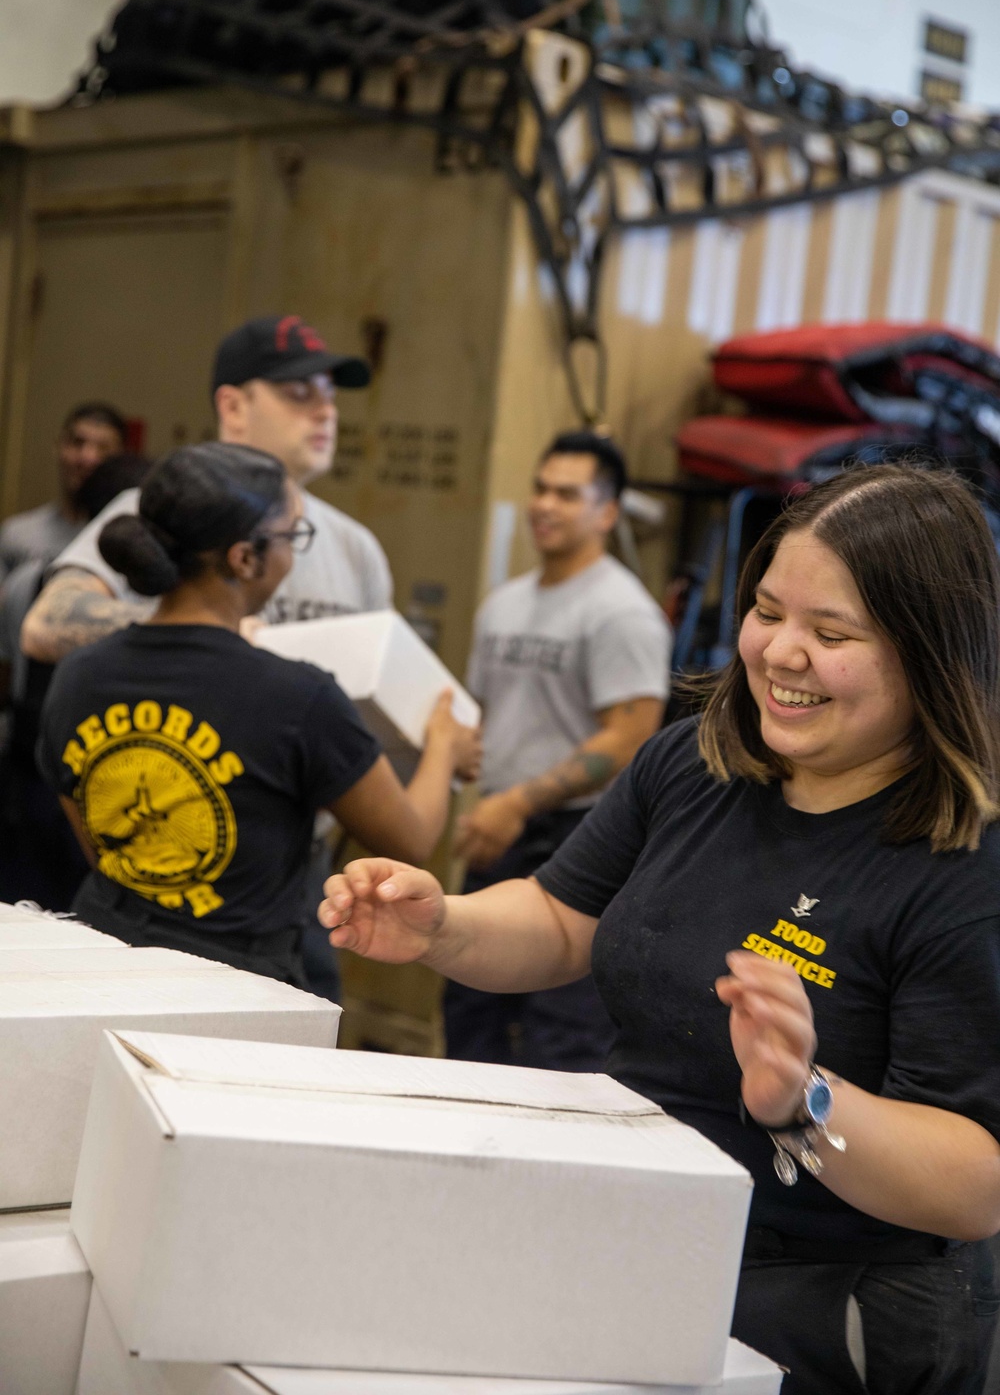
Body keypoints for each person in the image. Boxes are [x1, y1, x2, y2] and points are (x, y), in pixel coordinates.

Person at [320, 462, 1000, 1395]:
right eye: (768, 612)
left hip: (825, 1306)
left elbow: (971, 1186)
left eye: (831, 632)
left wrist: (803, 1101)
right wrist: (443, 926)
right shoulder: (695, 762)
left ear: (929, 652)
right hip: (640, 1237)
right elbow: (563, 919)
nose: (781, 653)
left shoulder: (966, 862)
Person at [22, 315, 389, 999]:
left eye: (331, 395)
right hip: (162, 864)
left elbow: (372, 697)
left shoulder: (355, 548)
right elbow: (48, 623)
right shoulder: (158, 509)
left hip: (299, 880)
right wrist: (200, 636)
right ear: (234, 405)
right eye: (299, 393)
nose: (325, 411)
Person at [38, 443, 480, 985]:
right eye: (292, 537)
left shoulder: (79, 674)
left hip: (102, 958)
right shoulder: (299, 698)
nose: (294, 555)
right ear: (245, 558)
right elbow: (408, 841)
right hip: (235, 984)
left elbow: (99, 843)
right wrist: (444, 747)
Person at [447, 431, 669, 1070]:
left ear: (607, 512)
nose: (544, 504)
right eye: (540, 488)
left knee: (558, 1036)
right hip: (499, 827)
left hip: (582, 837)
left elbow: (630, 738)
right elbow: (483, 714)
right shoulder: (503, 604)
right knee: (469, 1007)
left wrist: (519, 800)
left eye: (567, 494)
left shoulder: (620, 612)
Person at [0, 453, 151, 910]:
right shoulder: (138, 605)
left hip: (27, 765)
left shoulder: (25, 580)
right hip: (92, 776)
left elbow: (6, 671)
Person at [0, 402, 127, 576]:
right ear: (59, 446)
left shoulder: (128, 542)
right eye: (77, 443)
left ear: (121, 458)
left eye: (103, 448)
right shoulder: (16, 535)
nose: (87, 458)